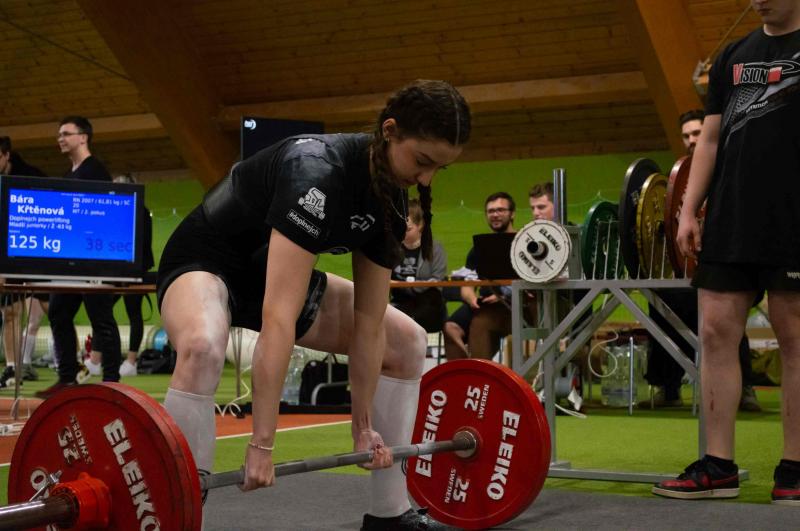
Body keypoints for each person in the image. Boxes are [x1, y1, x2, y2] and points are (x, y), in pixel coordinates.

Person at [156, 79, 470, 529]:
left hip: (271, 273)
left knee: (407, 342)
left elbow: (369, 322)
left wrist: (362, 426)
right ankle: (176, 518)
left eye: (440, 169)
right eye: (422, 161)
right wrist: (261, 442)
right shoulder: (314, 172)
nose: (426, 179)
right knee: (204, 346)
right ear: (390, 131)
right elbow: (278, 320)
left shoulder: (390, 200)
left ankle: (391, 515)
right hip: (205, 263)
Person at [654, 0, 800, 504]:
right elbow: (710, 139)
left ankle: (794, 469)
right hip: (732, 216)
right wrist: (688, 211)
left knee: (795, 338)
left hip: (793, 217)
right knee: (715, 332)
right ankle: (718, 466)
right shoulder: (734, 56)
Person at [641, 110, 761, 412]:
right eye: (686, 136)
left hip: (734, 265)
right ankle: (667, 388)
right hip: (689, 271)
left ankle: (745, 388)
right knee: (660, 301)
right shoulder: (679, 180)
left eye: (697, 133)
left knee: (726, 305)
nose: (692, 140)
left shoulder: (734, 170)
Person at [35, 116, 123, 399]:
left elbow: (102, 216)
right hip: (70, 262)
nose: (60, 139)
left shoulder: (95, 171)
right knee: (58, 313)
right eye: (59, 134)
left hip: (95, 262)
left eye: (66, 133)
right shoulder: (69, 175)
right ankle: (67, 378)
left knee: (101, 319)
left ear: (83, 137)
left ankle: (112, 381)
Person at [443, 191, 520, 360]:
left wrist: (503, 296)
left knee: (480, 323)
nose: (495, 214)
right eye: (491, 211)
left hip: (515, 305)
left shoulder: (523, 243)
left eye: (500, 210)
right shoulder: (480, 247)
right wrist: (471, 297)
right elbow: (468, 280)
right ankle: (465, 371)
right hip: (484, 304)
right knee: (450, 328)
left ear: (512, 214)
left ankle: (478, 370)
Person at [0, 136, 48, 386]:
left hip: (38, 252)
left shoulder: (31, 177)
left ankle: (73, 366)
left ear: (6, 155)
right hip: (7, 255)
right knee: (10, 311)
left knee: (56, 310)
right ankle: (12, 368)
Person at [389, 197, 448, 334]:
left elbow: (437, 282)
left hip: (428, 306)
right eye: (399, 228)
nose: (402, 233)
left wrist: (409, 285)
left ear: (420, 225)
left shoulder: (435, 249)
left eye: (408, 229)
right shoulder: (392, 249)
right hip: (399, 303)